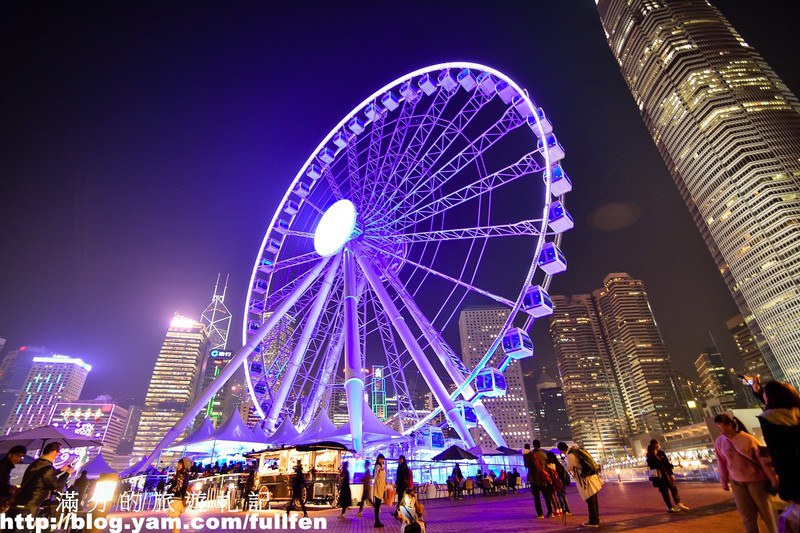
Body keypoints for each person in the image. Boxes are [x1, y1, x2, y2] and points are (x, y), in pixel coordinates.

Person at [714, 413, 778, 533]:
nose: (720, 430)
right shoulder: (719, 442)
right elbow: (721, 462)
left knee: (766, 513)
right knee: (747, 516)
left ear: (729, 425)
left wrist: (773, 478)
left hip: (756, 481)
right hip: (737, 483)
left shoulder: (748, 438)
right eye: (717, 427)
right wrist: (724, 481)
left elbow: (762, 461)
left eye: (721, 426)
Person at [755, 380, 800, 506]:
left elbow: (777, 451)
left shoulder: (768, 418)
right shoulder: (797, 412)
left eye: (765, 394)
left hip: (790, 475)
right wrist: (758, 392)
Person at [8, 442, 73, 519]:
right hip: (30, 505)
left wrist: (61, 470)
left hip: (19, 501)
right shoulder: (48, 468)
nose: (58, 455)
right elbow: (56, 486)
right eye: (58, 452)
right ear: (53, 452)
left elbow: (41, 475)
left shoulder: (35, 463)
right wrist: (67, 474)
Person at [558, 441, 603, 528]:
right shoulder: (575, 450)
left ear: (561, 450)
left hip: (585, 480)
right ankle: (595, 519)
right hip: (590, 477)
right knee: (593, 500)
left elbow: (569, 468)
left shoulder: (570, 456)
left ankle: (593, 521)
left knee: (590, 500)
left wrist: (564, 466)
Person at [646, 440, 689, 513]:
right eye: (657, 446)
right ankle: (669, 507)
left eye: (659, 445)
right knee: (664, 492)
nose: (658, 447)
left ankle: (678, 503)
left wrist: (671, 473)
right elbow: (651, 466)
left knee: (674, 489)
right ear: (653, 446)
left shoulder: (661, 452)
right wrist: (654, 456)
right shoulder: (649, 455)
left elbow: (666, 463)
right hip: (659, 477)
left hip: (667, 475)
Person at [524, 441, 554, 518]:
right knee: (547, 496)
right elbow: (546, 466)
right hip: (543, 478)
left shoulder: (530, 455)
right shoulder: (544, 454)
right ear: (540, 445)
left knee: (536, 497)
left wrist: (525, 455)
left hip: (534, 478)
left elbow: (526, 465)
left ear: (533, 445)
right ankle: (550, 512)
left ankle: (540, 514)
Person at [167, 457, 191, 533]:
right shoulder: (184, 474)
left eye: (180, 464)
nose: (178, 465)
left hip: (177, 498)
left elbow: (179, 486)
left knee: (175, 518)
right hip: (180, 498)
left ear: (183, 465)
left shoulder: (181, 474)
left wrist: (171, 490)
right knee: (175, 518)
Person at [545, 449, 570, 516]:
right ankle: (566, 510)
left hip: (557, 482)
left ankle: (563, 510)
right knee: (563, 496)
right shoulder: (558, 464)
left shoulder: (549, 465)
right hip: (562, 482)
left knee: (559, 496)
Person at [372, 454, 387, 528]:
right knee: (377, 506)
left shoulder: (381, 467)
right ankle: (377, 522)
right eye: (380, 459)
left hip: (380, 488)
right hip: (378, 488)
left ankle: (377, 521)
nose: (382, 460)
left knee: (378, 506)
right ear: (378, 460)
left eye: (382, 459)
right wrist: (380, 470)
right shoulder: (378, 466)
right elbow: (376, 474)